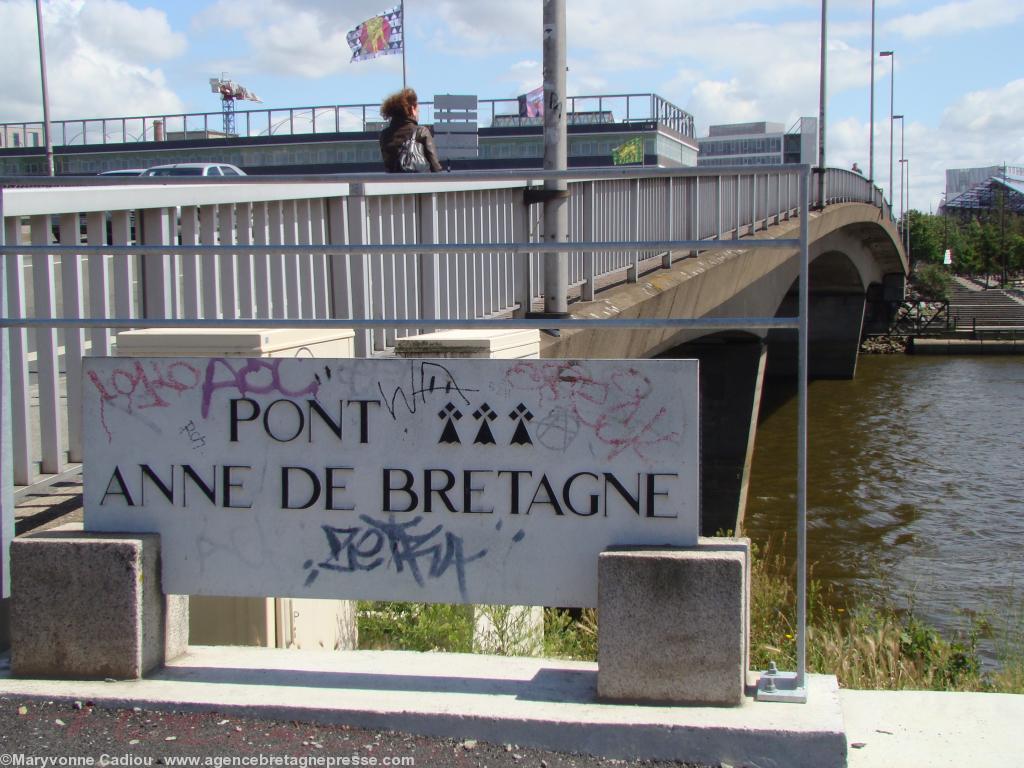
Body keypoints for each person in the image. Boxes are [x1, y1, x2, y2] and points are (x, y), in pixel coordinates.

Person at [379, 88, 442, 173]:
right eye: (418, 110)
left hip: (393, 184)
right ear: (413, 109)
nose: (419, 113)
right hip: (419, 184)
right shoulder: (422, 132)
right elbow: (435, 167)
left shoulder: (384, 135)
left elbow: (388, 166)